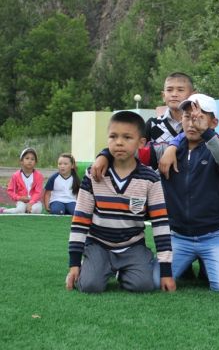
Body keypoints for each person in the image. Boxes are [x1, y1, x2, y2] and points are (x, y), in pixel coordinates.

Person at [65, 111, 176, 293]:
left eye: (127, 137)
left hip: (132, 247)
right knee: (90, 286)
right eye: (113, 136)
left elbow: (160, 224)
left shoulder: (150, 178)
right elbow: (80, 220)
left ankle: (123, 271)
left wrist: (166, 272)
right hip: (98, 245)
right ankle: (93, 265)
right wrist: (74, 264)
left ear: (141, 142)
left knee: (143, 286)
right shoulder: (93, 174)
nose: (119, 142)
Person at [159, 93, 219, 291]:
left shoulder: (216, 148)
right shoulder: (170, 150)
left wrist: (207, 133)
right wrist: (105, 155)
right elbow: (135, 153)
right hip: (178, 236)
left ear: (213, 122)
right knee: (154, 282)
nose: (192, 123)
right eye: (187, 117)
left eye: (199, 117)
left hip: (214, 236)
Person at [145, 72, 196, 144]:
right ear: (163, 96)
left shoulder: (199, 124)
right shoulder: (152, 125)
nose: (174, 94)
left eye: (180, 90)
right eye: (169, 90)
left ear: (193, 95)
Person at [0, 148, 44, 214]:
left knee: (37, 210)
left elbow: (38, 192)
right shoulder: (15, 176)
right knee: (20, 210)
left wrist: (31, 202)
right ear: (21, 161)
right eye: (27, 158)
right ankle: (4, 210)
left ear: (35, 162)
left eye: (32, 159)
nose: (30, 161)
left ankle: (27, 210)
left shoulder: (39, 176)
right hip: (21, 201)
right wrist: (19, 198)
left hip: (34, 201)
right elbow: (10, 190)